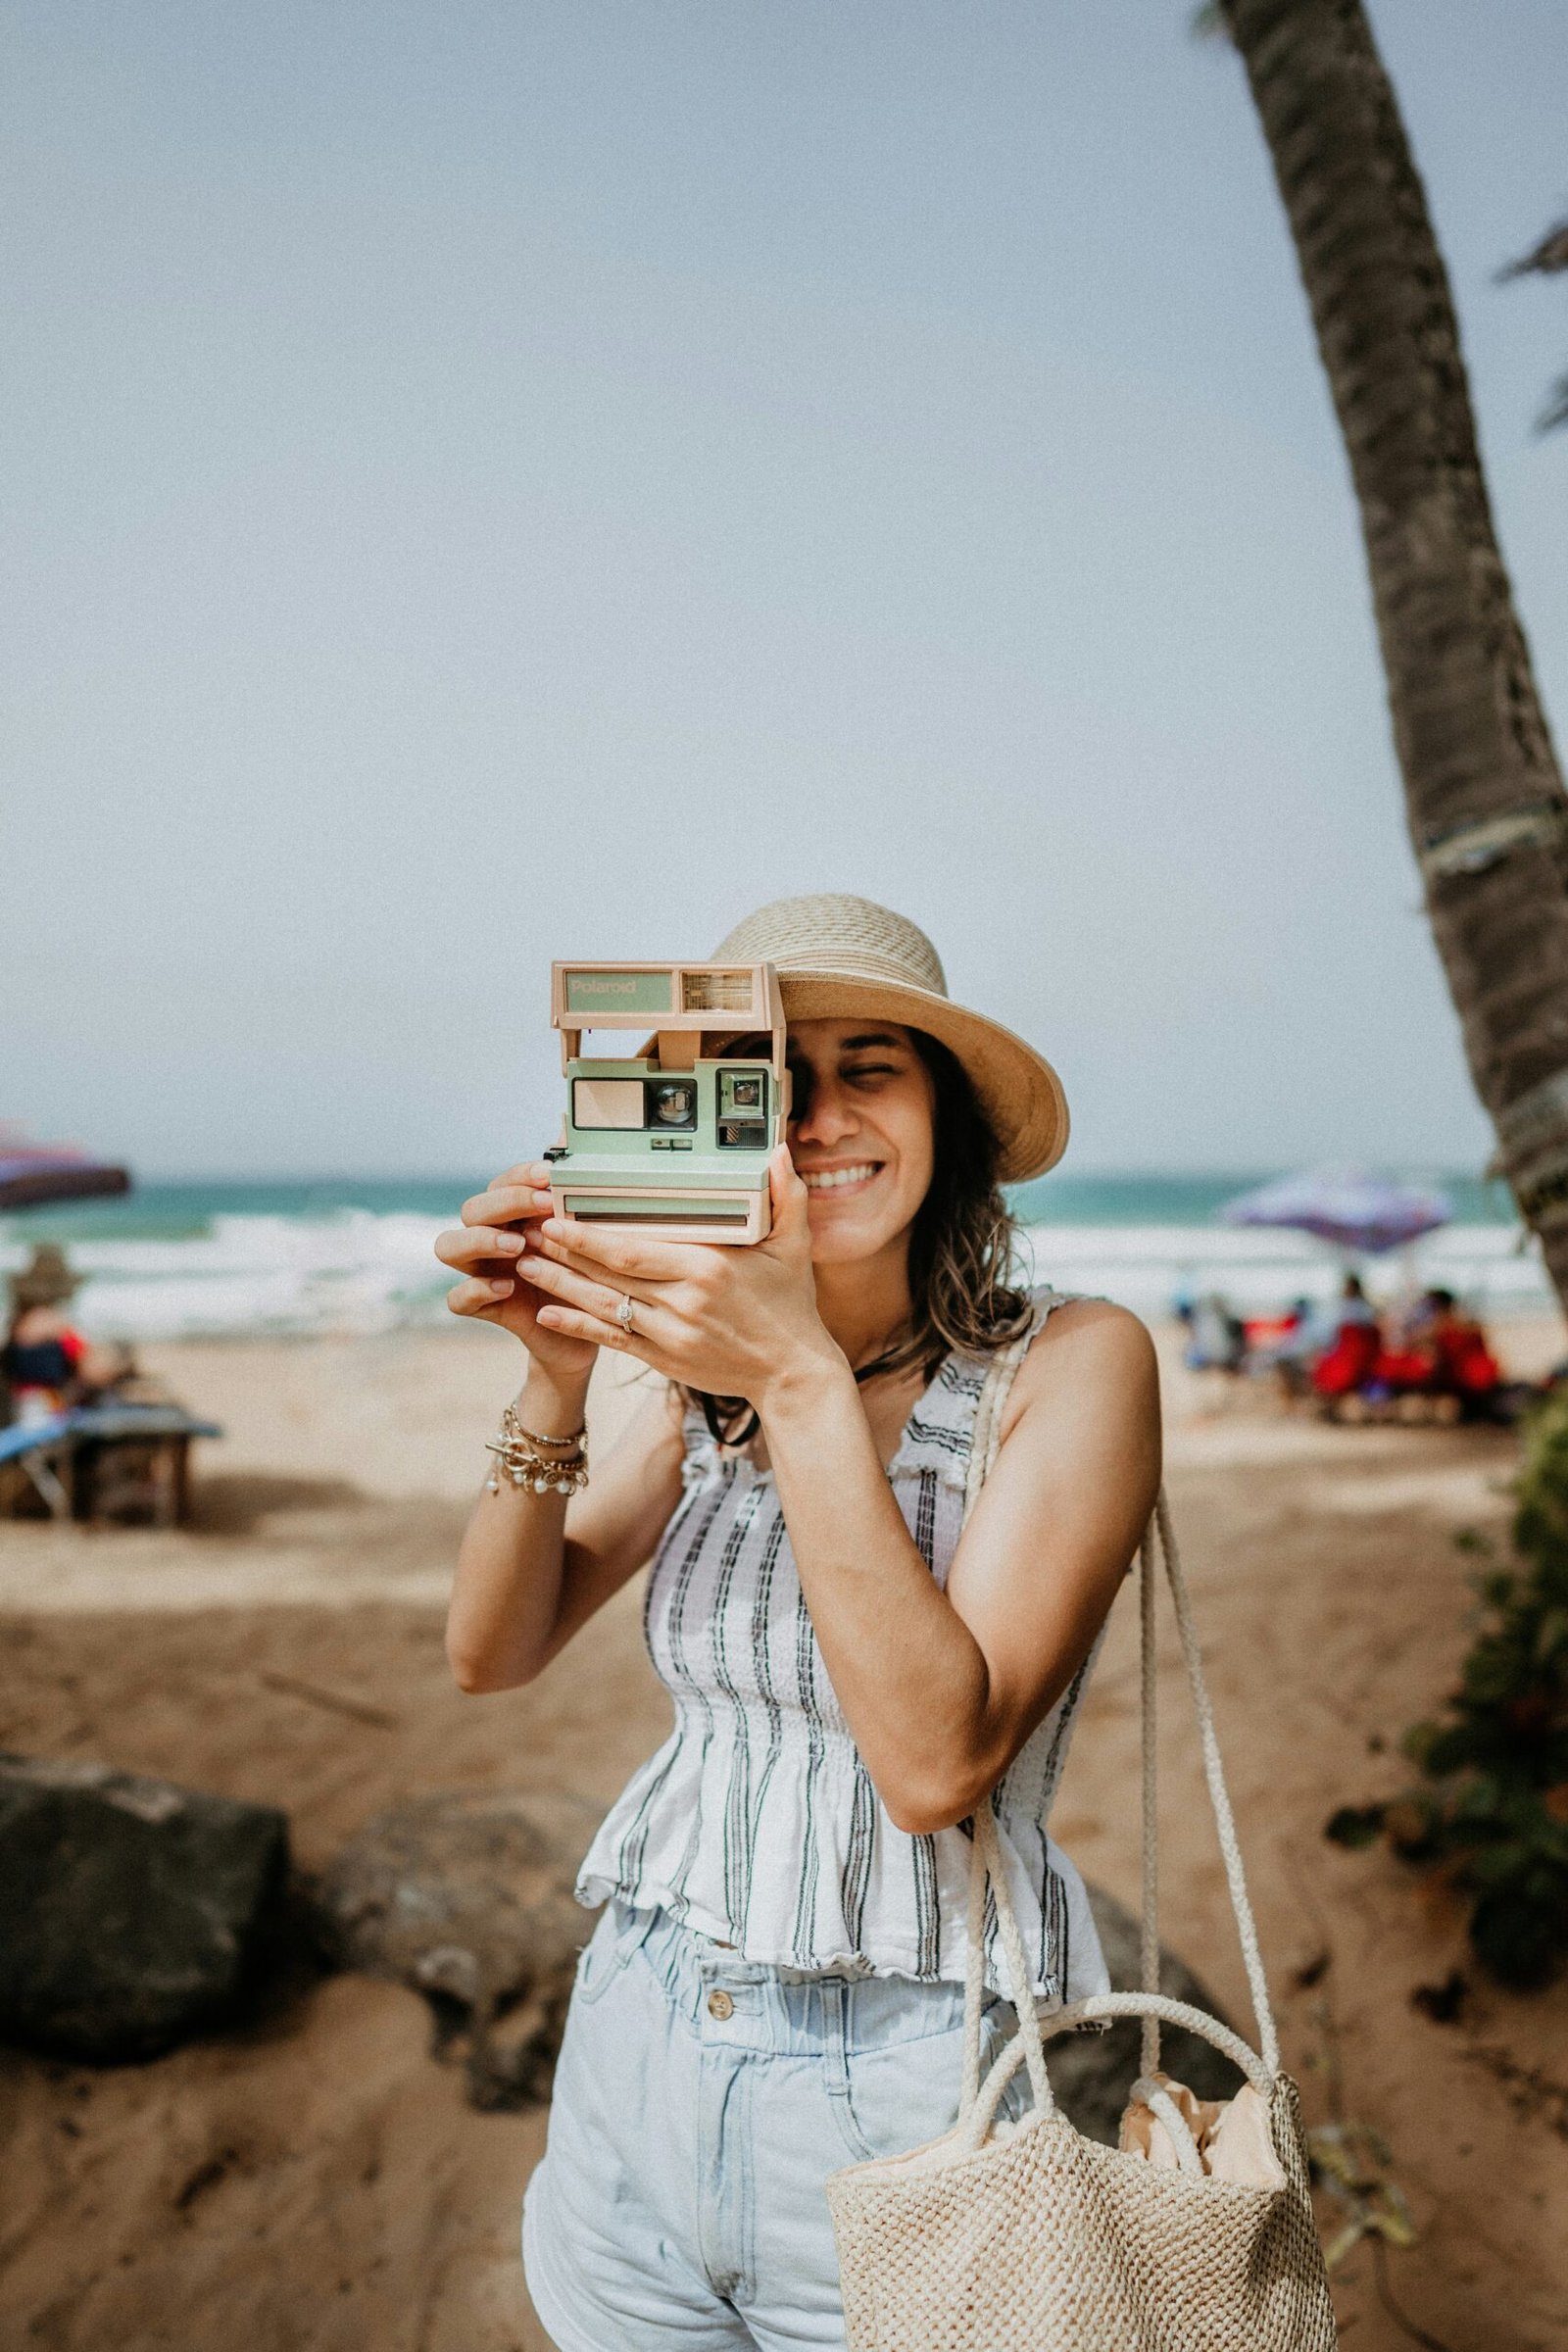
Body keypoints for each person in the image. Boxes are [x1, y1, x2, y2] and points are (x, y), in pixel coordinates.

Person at [435, 894, 1160, 2352]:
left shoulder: (1067, 1367)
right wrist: (557, 1379)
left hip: (899, 2093)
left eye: (870, 1067)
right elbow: (490, 1653)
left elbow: (933, 1766)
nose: (817, 1119)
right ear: (711, 1122)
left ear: (943, 1116)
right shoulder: (682, 1386)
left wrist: (804, 1381)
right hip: (633, 2051)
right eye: (768, 1081)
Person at [2, 1246, 91, 1424]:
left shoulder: (17, 1323)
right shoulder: (56, 1324)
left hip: (16, 1403)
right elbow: (84, 1362)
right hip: (51, 1402)